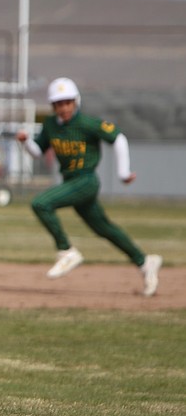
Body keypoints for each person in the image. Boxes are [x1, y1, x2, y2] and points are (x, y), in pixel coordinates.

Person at [16, 77, 161, 296]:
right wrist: (26, 142)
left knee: (41, 203)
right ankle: (144, 262)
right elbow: (38, 150)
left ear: (76, 102)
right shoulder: (50, 125)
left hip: (86, 181)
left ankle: (66, 251)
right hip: (71, 183)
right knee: (104, 228)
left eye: (67, 102)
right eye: (58, 103)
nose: (63, 107)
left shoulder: (86, 123)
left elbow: (118, 138)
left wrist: (123, 173)